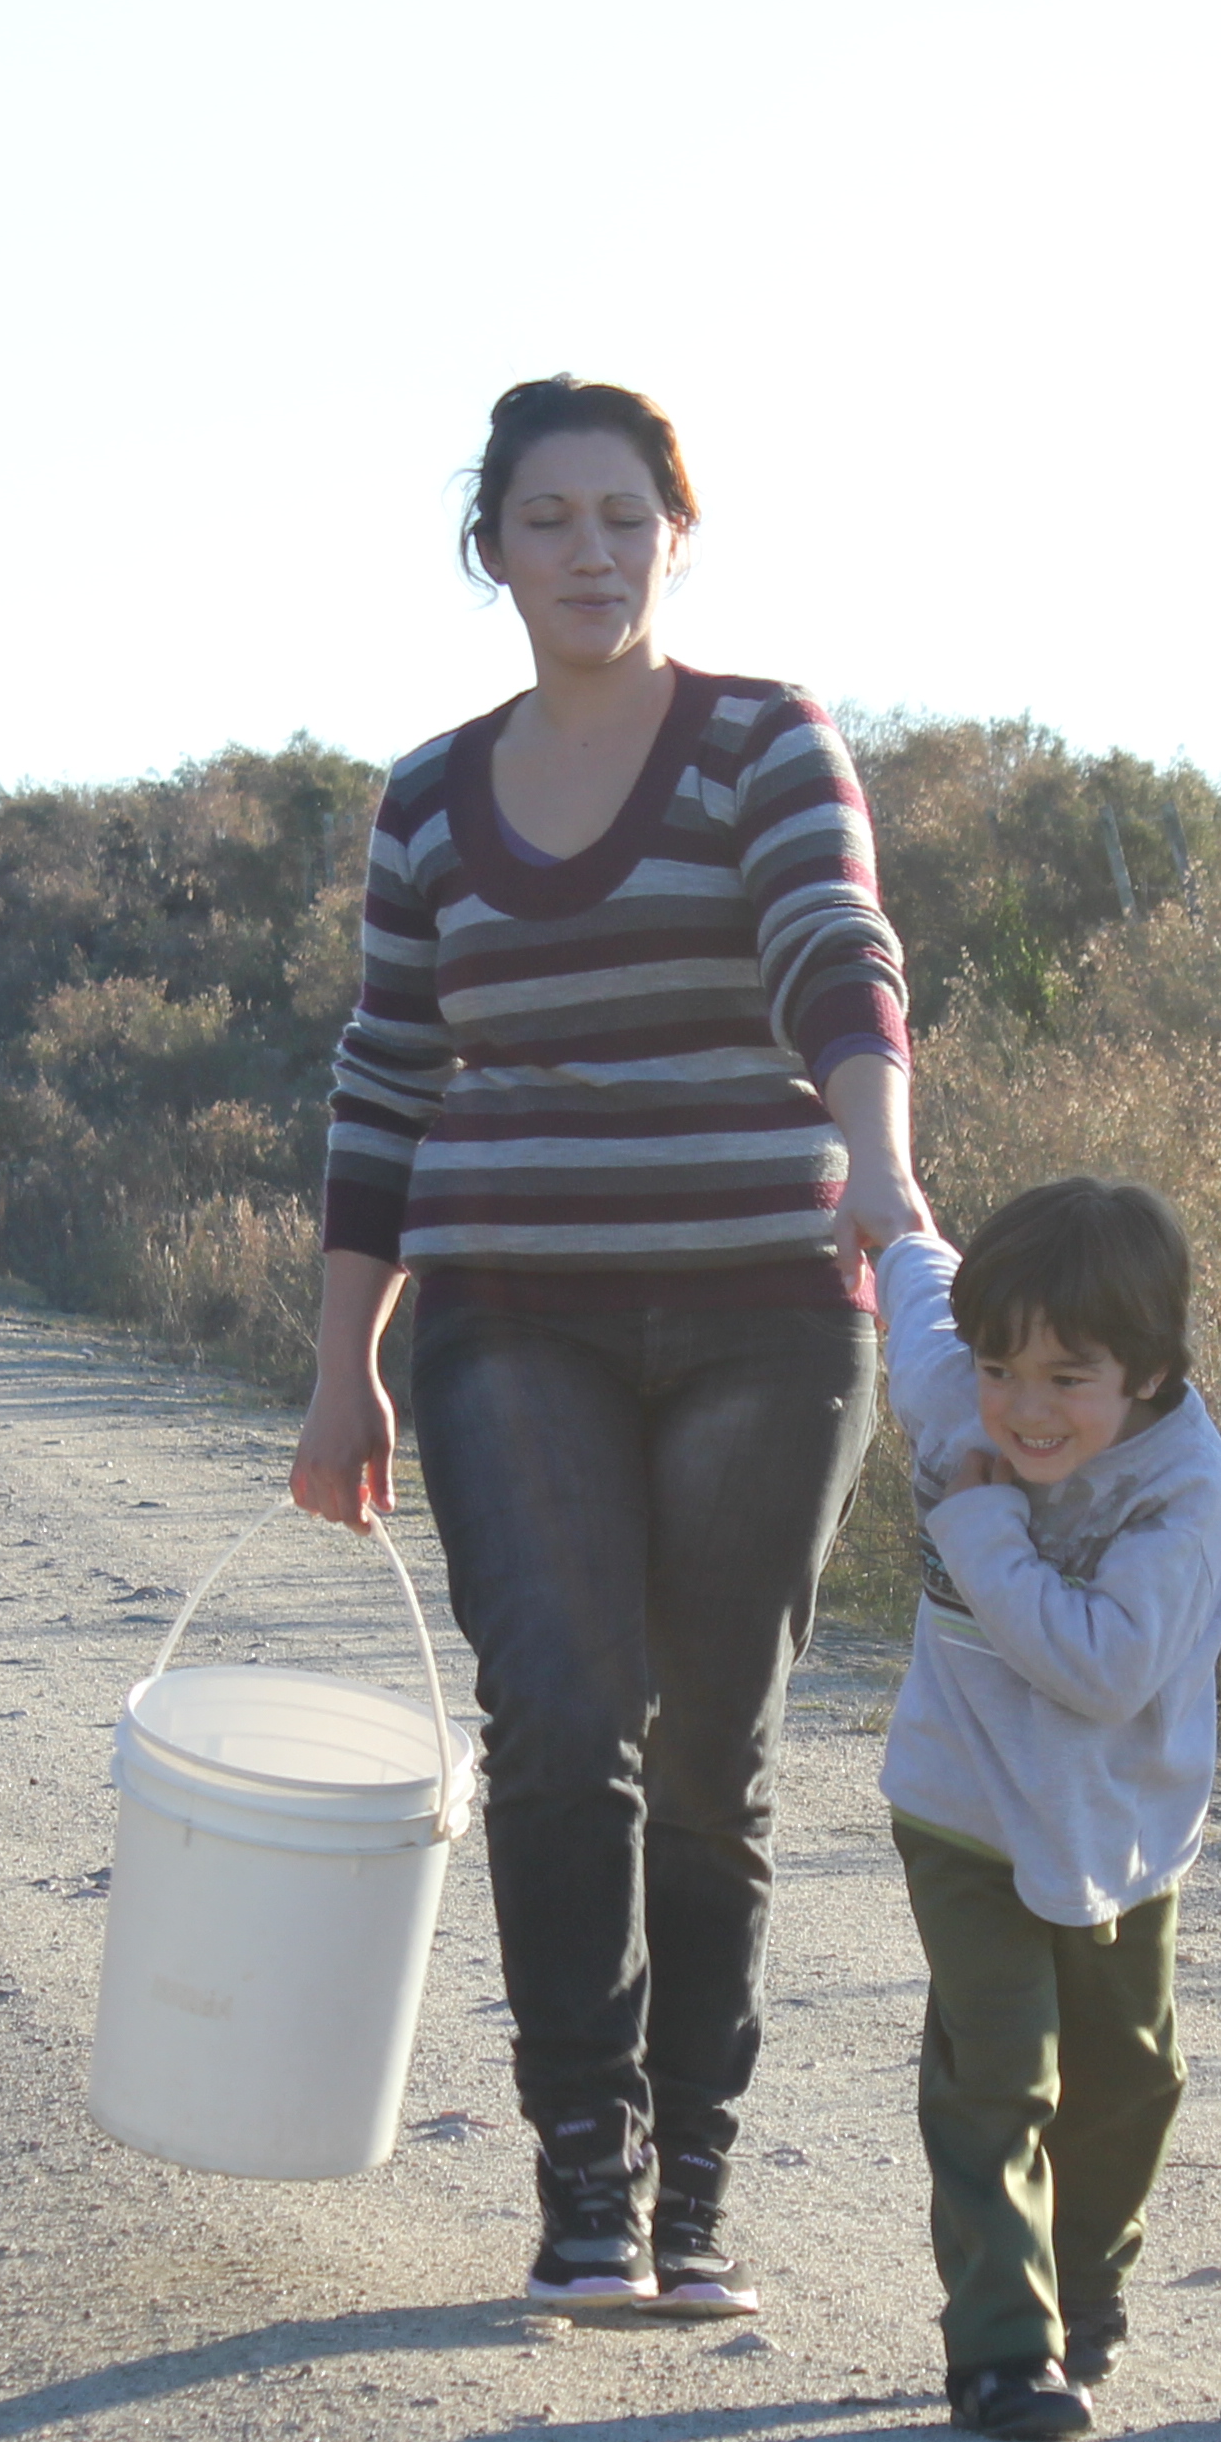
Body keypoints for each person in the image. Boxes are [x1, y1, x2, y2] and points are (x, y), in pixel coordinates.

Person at [292, 377, 924, 2313]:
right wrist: (345, 1365)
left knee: (712, 1752)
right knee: (562, 1722)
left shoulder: (765, 741)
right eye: (549, 519)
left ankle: (699, 2191)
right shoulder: (427, 795)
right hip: (512, 1306)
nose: (589, 551)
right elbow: (390, 1070)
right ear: (490, 547)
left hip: (763, 1303)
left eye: (624, 516)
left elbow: (837, 949)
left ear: (676, 533)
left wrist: (882, 1169)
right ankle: (584, 2166)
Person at [874, 1179, 1221, 2442]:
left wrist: (977, 1522)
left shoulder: (1182, 1494)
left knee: (1131, 2078)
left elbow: (1100, 1667)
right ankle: (1002, 2352)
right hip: (962, 1803)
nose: (1024, 1408)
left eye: (1066, 1378)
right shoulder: (952, 1389)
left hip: (1119, 1821)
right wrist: (887, 1211)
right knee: (1000, 2072)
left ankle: (1080, 2297)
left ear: (1145, 1372)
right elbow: (917, 1290)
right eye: (1001, 1369)